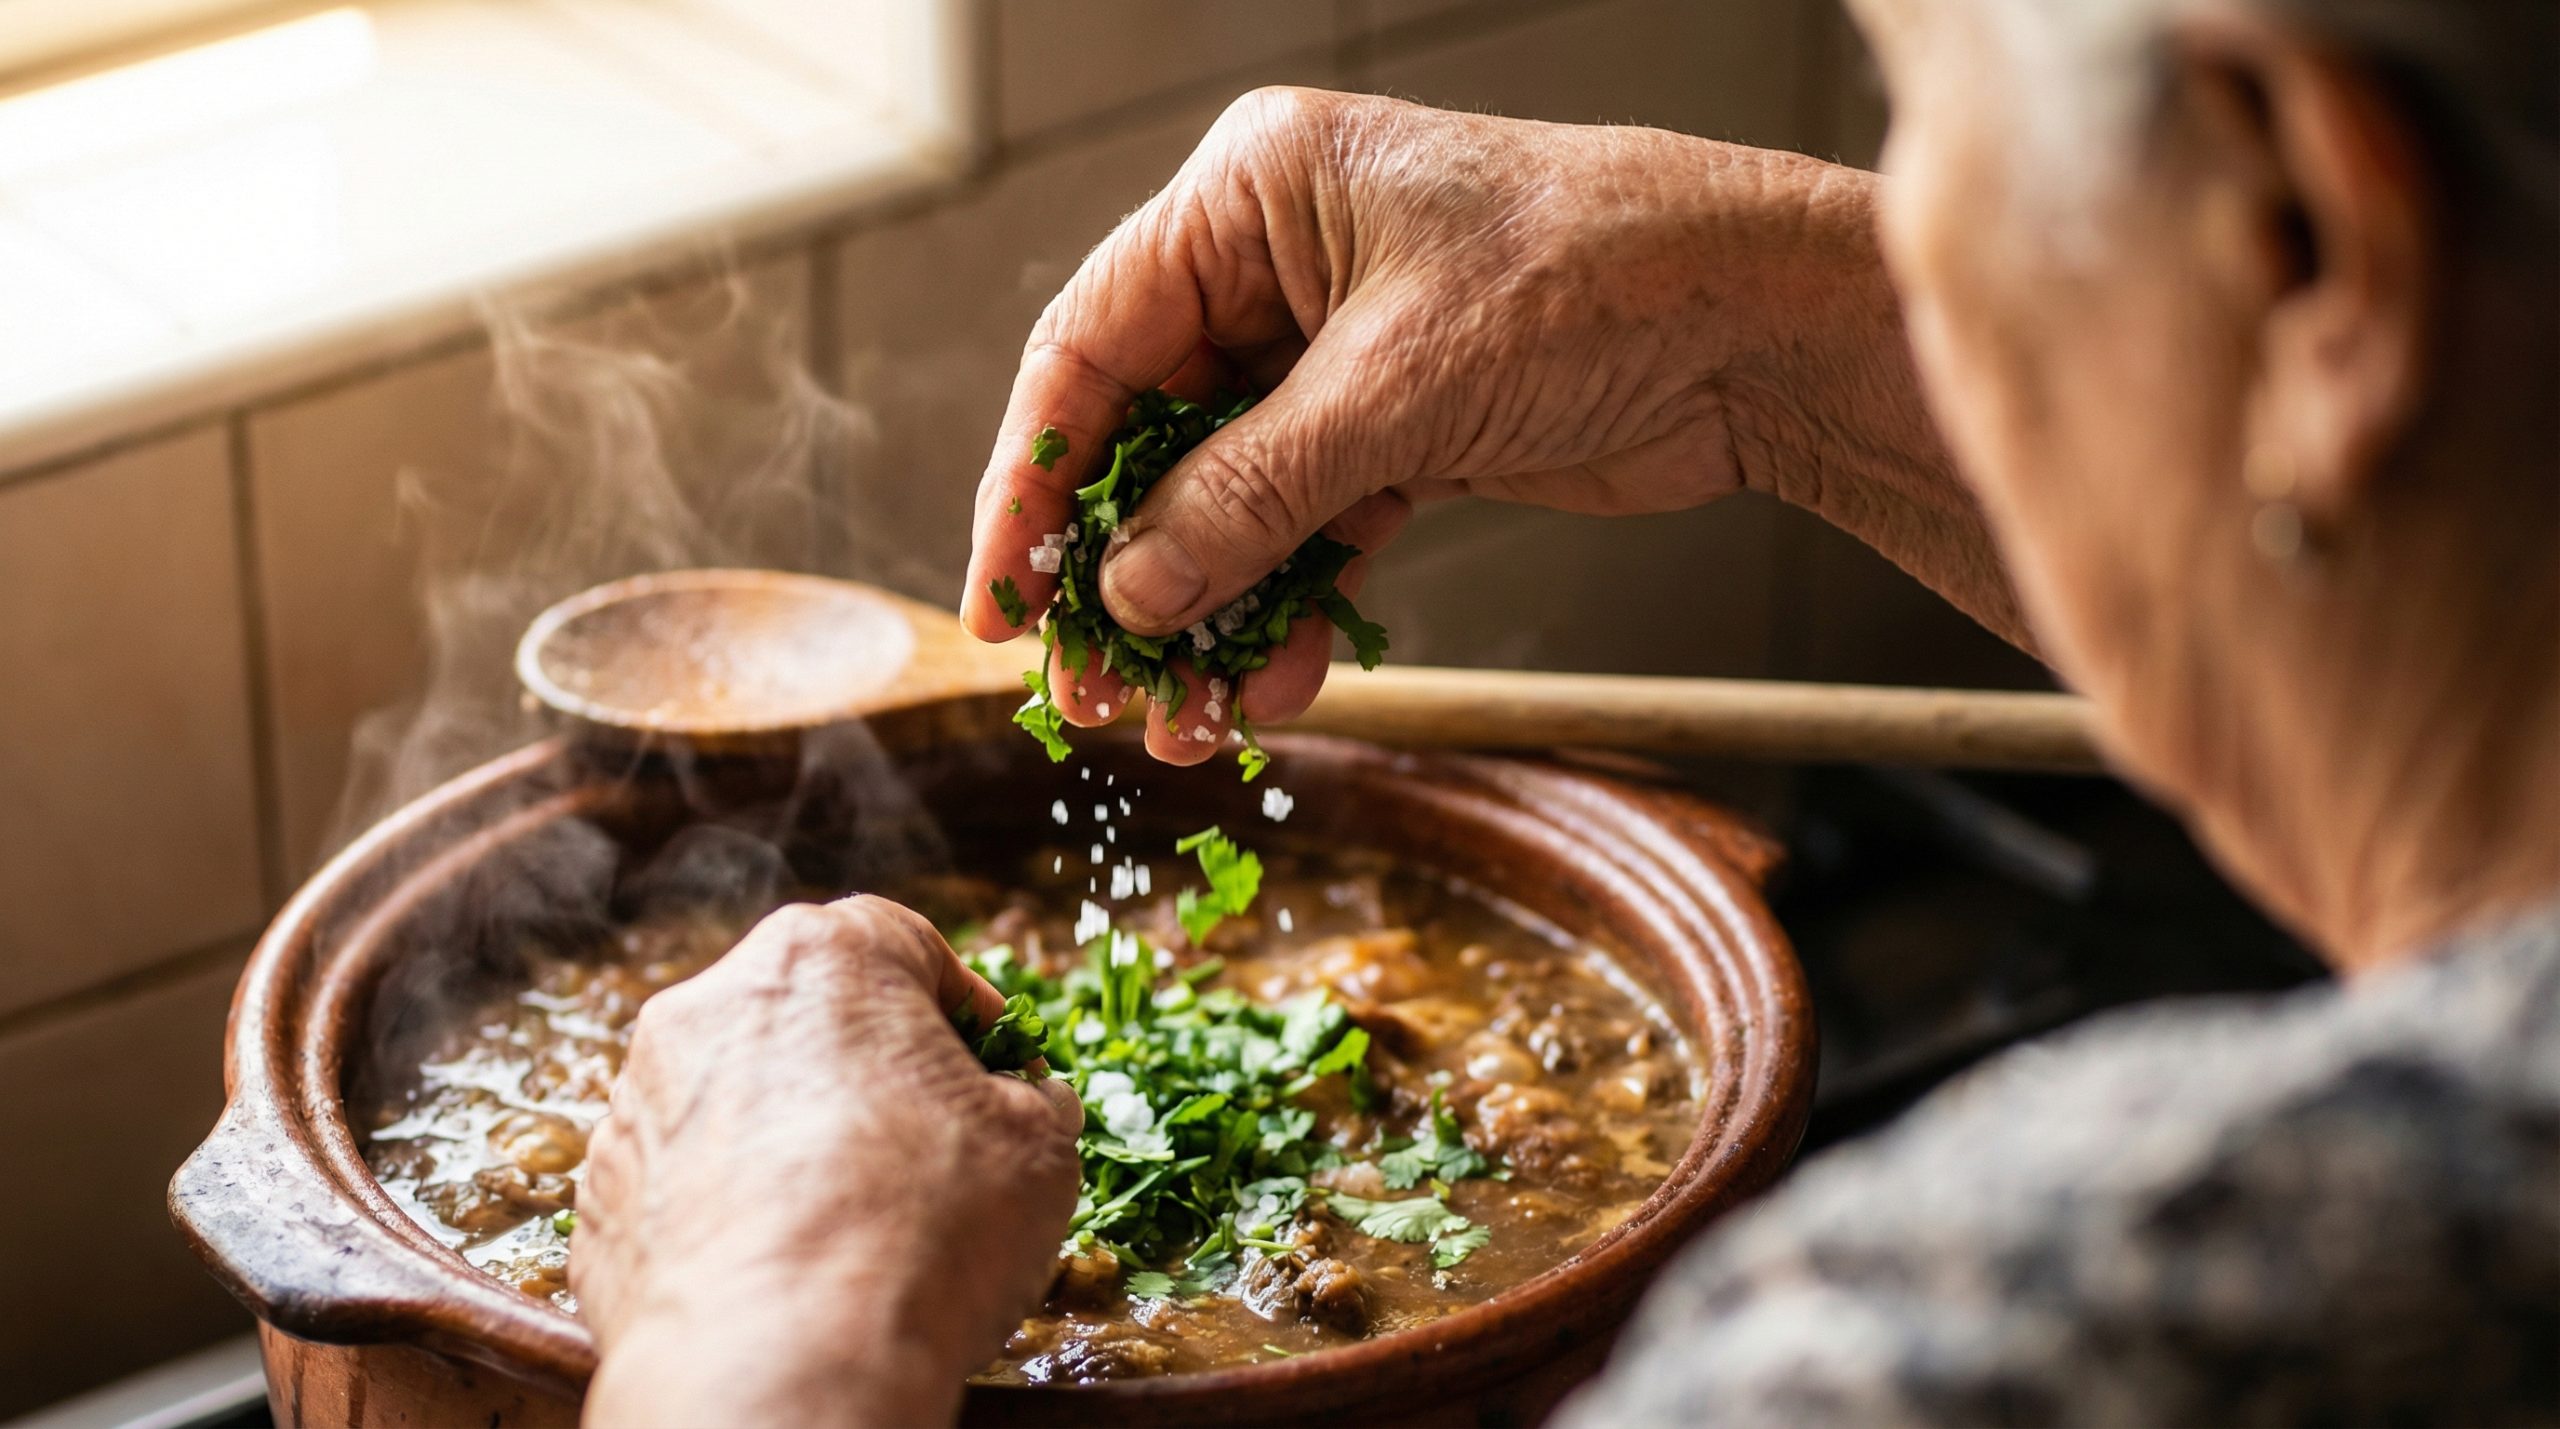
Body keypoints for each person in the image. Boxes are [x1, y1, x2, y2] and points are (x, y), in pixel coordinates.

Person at [569, 1, 2559, 1424]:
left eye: (1915, 104)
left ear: (2308, 245)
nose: (1898, 207)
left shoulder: (2033, 1329)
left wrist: (780, 1321)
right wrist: (1746, 346)